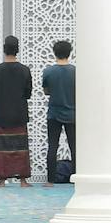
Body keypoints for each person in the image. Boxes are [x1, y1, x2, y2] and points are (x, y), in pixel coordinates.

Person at [0, 35, 34, 186]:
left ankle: (1, 179)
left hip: (1, 114)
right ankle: (23, 180)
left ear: (4, 49)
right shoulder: (25, 70)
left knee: (2, 149)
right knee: (20, 148)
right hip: (19, 114)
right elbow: (28, 93)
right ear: (17, 50)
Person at [42, 39, 77, 185]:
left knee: (52, 146)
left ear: (54, 53)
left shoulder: (48, 71)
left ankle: (50, 180)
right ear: (70, 53)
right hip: (72, 114)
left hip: (54, 114)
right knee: (74, 147)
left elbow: (46, 91)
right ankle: (75, 177)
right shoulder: (75, 72)